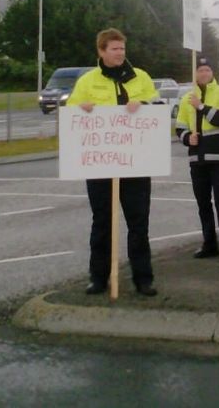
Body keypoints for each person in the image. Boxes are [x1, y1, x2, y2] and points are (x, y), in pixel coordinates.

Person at [67, 28, 159, 296]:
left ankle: (143, 279)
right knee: (102, 223)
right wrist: (79, 109)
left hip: (136, 162)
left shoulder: (140, 77)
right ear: (101, 51)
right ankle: (98, 277)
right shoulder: (87, 81)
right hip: (100, 162)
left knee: (138, 224)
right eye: (114, 49)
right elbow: (71, 112)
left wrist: (142, 103)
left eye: (122, 48)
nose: (120, 53)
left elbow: (158, 105)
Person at [176, 57, 219, 262]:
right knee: (203, 204)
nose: (203, 74)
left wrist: (201, 106)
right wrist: (187, 137)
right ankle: (209, 243)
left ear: (212, 73)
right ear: (195, 74)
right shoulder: (186, 98)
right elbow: (180, 126)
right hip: (197, 159)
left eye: (207, 70)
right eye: (200, 70)